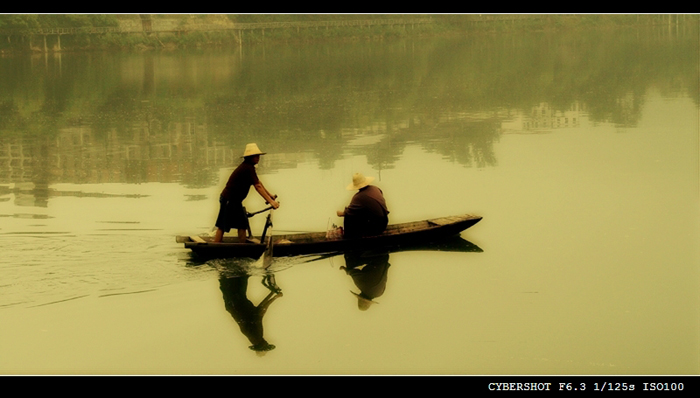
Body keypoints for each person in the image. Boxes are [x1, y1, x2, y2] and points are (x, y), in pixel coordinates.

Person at [214, 143, 279, 243]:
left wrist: (269, 195)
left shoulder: (249, 168)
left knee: (241, 224)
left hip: (233, 201)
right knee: (223, 225)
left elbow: (258, 182)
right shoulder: (247, 168)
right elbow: (257, 187)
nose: (258, 158)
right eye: (255, 156)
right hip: (229, 200)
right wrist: (271, 202)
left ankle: (241, 246)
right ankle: (217, 246)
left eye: (258, 156)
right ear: (249, 157)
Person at [337, 172, 389, 239]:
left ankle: (348, 237)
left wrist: (340, 213)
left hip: (377, 227)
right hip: (385, 221)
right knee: (358, 212)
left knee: (349, 217)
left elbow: (348, 212)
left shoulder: (358, 197)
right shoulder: (375, 188)